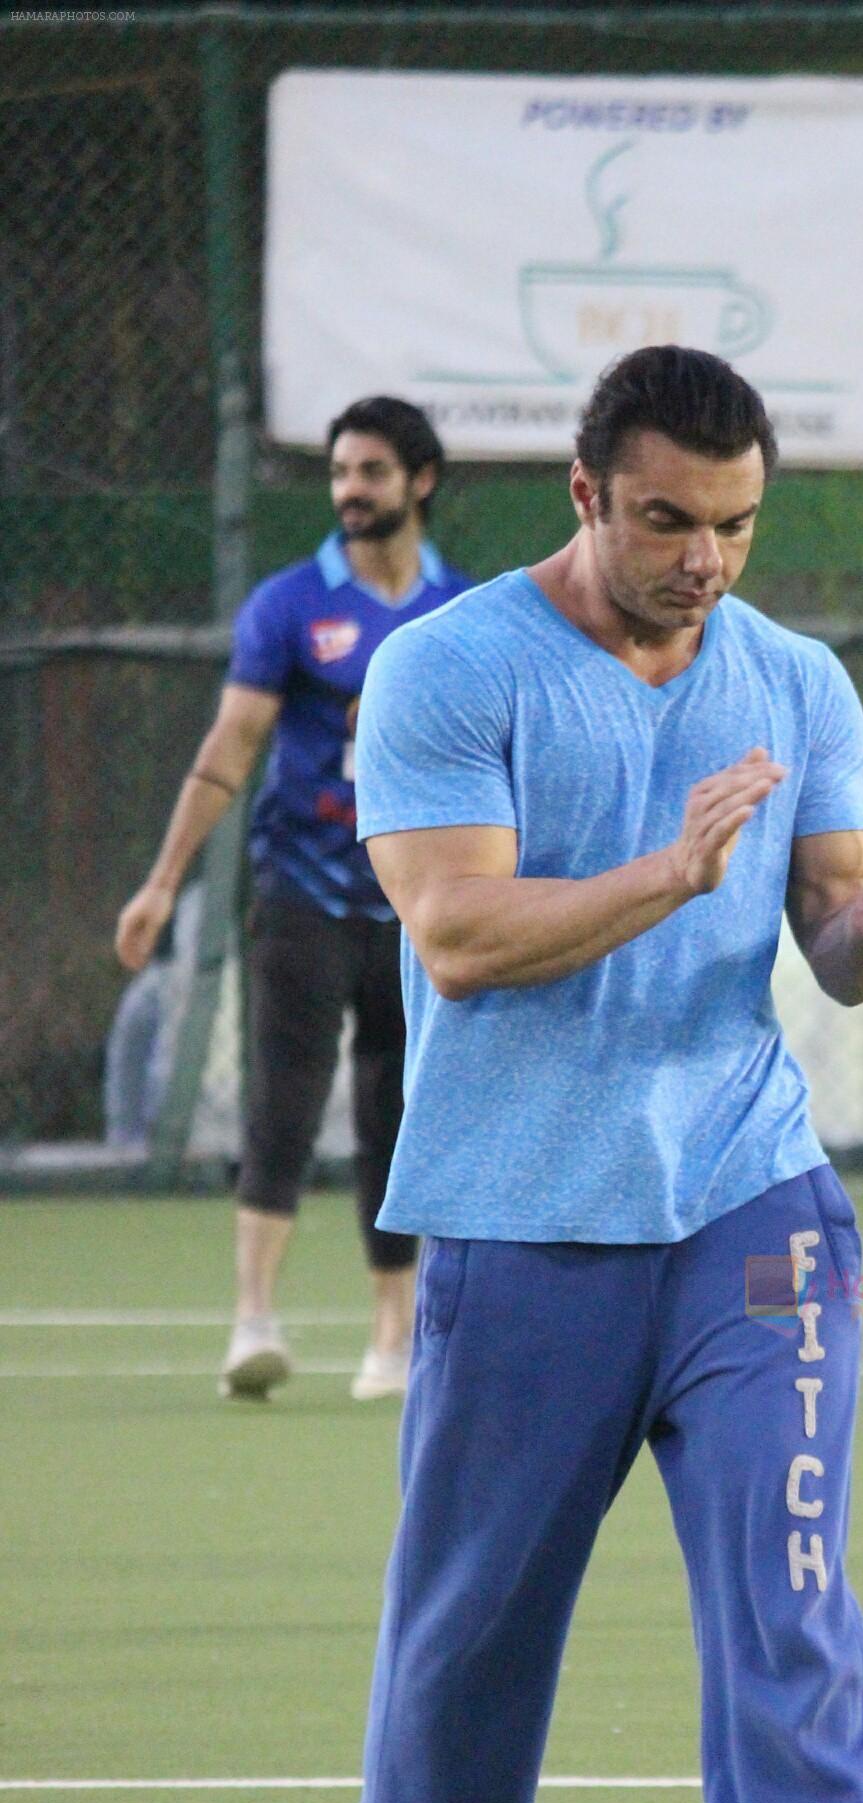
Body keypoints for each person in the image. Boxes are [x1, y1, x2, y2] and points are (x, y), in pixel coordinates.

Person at [343, 345, 863, 1803]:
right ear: (584, 497)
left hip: (747, 1214)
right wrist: (666, 874)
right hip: (518, 1217)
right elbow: (459, 937)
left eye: (738, 522)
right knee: (472, 1629)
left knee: (789, 1583)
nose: (705, 556)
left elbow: (831, 950)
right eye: (668, 520)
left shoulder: (793, 680)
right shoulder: (444, 671)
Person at [114, 397, 472, 1402]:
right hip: (302, 890)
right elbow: (230, 748)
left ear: (420, 482)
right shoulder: (286, 605)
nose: (350, 491)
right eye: (340, 473)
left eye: (370, 472)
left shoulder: (466, 613)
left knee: (396, 1115)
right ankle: (253, 1322)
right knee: (282, 1103)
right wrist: (160, 883)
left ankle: (392, 1339)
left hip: (419, 909)